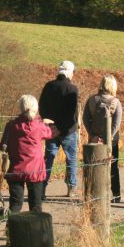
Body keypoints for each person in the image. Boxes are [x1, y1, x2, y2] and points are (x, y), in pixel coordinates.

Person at [0, 95, 55, 214]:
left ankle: (12, 231)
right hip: (35, 171)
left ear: (21, 108)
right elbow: (51, 133)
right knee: (35, 207)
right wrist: (45, 123)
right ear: (36, 108)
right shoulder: (39, 126)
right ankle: (35, 232)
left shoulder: (11, 125)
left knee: (15, 205)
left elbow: (2, 146)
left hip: (16, 170)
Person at [40, 60, 80, 198]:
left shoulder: (48, 86)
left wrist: (52, 126)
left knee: (49, 158)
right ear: (70, 73)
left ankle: (42, 187)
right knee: (71, 159)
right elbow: (73, 113)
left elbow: (42, 107)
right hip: (68, 131)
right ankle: (71, 188)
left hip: (51, 130)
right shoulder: (73, 89)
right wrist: (64, 128)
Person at [83, 74, 123, 202]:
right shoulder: (116, 102)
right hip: (112, 141)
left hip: (94, 140)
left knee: (92, 167)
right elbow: (116, 123)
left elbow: (85, 119)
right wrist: (108, 138)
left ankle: (91, 195)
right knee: (113, 167)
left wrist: (93, 135)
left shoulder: (91, 100)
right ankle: (116, 195)